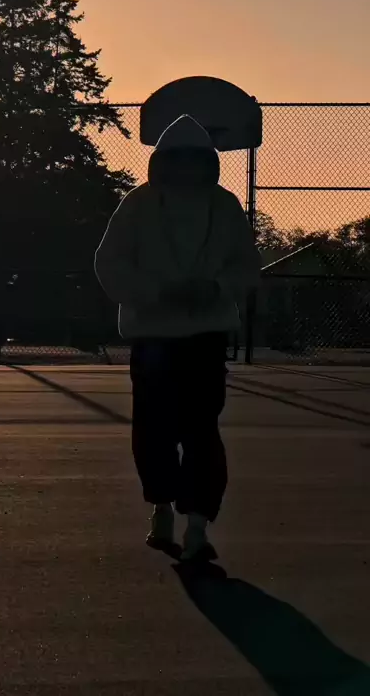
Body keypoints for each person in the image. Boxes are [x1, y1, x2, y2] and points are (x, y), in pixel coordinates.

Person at [94, 114, 260, 561]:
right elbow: (109, 262)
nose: (187, 168)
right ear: (162, 162)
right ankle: (162, 506)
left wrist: (216, 289)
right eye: (178, 159)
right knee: (154, 430)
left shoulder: (224, 206)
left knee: (201, 430)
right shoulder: (138, 205)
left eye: (195, 159)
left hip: (205, 336)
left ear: (208, 162)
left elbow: (246, 265)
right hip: (153, 336)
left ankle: (197, 527)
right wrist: (155, 293)